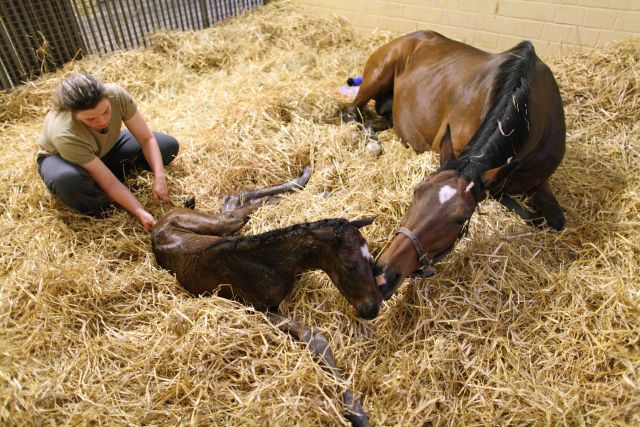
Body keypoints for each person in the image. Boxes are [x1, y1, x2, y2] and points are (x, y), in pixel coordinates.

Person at [36, 72, 179, 231]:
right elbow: (109, 182)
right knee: (68, 182)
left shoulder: (115, 94)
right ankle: (100, 198)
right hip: (64, 160)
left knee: (166, 146)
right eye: (91, 119)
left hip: (106, 147)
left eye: (106, 111)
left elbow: (147, 139)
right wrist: (139, 211)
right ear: (70, 111)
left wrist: (160, 177)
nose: (102, 121)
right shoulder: (64, 132)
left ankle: (96, 183)